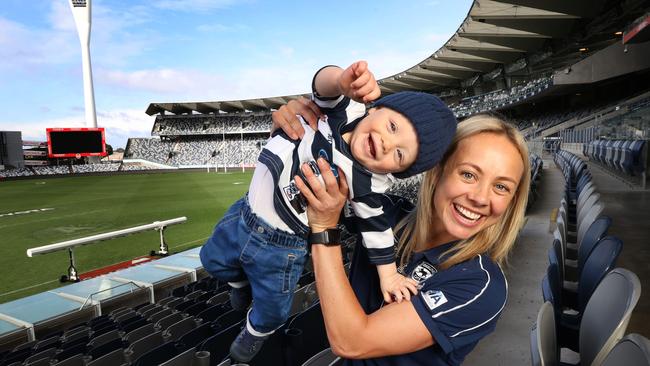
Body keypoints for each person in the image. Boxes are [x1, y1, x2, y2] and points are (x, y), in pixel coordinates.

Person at [199, 61, 457, 362]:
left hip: (282, 245)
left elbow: (378, 232)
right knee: (211, 260)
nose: (388, 143)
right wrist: (342, 79)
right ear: (374, 109)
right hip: (244, 211)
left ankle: (255, 331)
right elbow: (323, 85)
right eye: (393, 126)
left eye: (400, 154)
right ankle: (238, 282)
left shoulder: (367, 186)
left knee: (272, 308)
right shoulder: (344, 112)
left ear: (398, 172)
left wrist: (389, 277)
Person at [275, 103, 531, 365]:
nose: (479, 198)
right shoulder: (384, 213)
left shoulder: (481, 287)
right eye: (468, 174)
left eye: (501, 187)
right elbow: (295, 198)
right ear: (437, 171)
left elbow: (351, 341)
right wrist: (296, 132)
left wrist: (324, 229)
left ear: (512, 201)